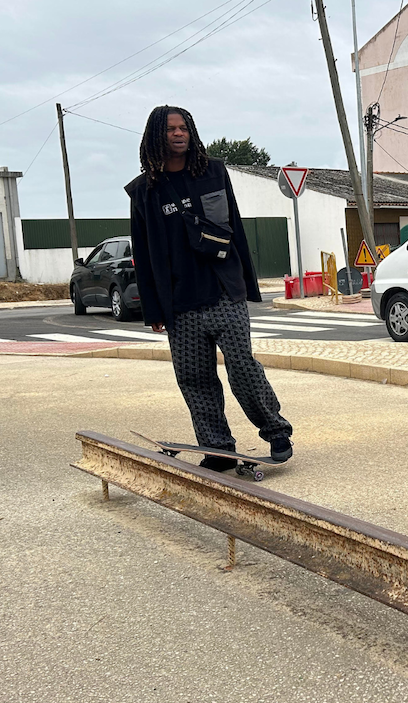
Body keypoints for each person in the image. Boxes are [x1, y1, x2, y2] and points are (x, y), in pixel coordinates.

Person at [125, 105, 293, 470]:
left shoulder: (212, 171)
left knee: (242, 366)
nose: (179, 133)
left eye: (184, 127)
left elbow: (235, 229)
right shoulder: (144, 192)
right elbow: (144, 252)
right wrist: (152, 309)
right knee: (194, 378)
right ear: (157, 135)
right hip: (179, 303)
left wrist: (247, 284)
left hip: (223, 292)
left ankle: (275, 429)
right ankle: (217, 448)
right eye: (171, 129)